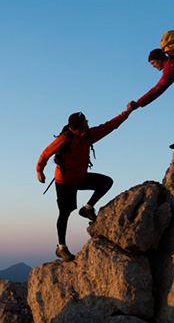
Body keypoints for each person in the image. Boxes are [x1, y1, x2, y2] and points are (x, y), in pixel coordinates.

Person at [36, 109, 132, 261]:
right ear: (79, 125)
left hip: (80, 178)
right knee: (65, 213)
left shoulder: (87, 135)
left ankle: (87, 208)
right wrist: (39, 171)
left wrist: (126, 113)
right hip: (65, 181)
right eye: (85, 121)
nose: (88, 122)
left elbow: (108, 126)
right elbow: (46, 153)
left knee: (106, 182)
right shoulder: (65, 138)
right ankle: (61, 248)